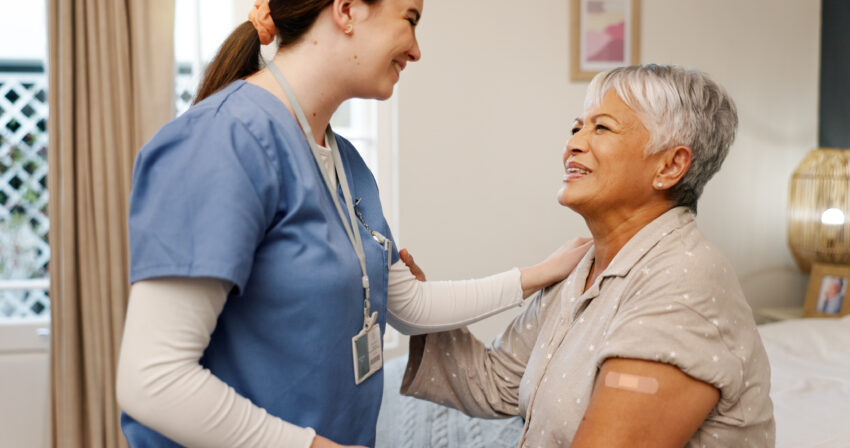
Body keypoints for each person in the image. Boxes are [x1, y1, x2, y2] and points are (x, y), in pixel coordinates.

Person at [115, 0, 591, 447]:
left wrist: (538, 274)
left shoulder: (344, 160)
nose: (417, 50)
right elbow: (153, 381)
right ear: (346, 10)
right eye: (410, 19)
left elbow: (408, 305)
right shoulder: (223, 141)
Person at [399, 64, 776, 447]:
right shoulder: (581, 269)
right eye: (576, 127)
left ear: (670, 165)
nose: (574, 144)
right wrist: (412, 300)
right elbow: (495, 382)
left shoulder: (685, 279)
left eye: (602, 128)